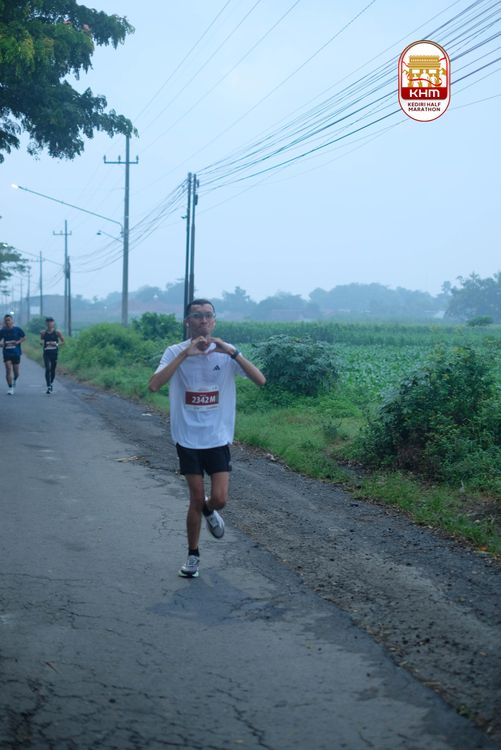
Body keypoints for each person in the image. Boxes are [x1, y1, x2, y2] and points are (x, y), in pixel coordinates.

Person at [149, 298, 266, 578]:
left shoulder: (226, 353)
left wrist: (233, 352)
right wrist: (184, 355)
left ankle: (210, 510)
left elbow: (260, 380)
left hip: (217, 436)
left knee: (220, 499)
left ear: (214, 321)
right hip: (187, 437)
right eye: (197, 315)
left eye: (208, 315)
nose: (203, 320)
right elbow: (154, 385)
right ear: (187, 321)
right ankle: (193, 556)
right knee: (194, 498)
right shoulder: (174, 351)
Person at [0, 314, 26, 395]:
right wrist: (1, 344)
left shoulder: (17, 329)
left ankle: (15, 380)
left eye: (9, 320)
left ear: (12, 321)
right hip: (7, 353)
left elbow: (24, 337)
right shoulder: (2, 331)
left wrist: (18, 342)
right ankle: (10, 387)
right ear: (4, 322)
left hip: (16, 353)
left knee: (16, 373)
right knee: (8, 369)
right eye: (6, 320)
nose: (7, 322)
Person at [40, 317, 65, 394]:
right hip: (46, 353)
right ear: (46, 323)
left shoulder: (57, 332)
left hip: (54, 353)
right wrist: (41, 343)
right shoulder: (43, 333)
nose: (49, 323)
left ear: (53, 323)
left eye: (51, 322)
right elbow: (41, 340)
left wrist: (56, 344)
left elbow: (63, 342)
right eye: (48, 322)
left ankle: (51, 383)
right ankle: (48, 386)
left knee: (53, 370)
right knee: (48, 368)